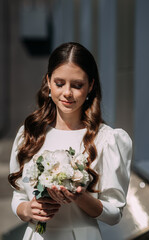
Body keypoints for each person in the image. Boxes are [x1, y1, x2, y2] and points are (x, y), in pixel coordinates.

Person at [8, 42, 132, 240]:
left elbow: (115, 214)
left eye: (77, 85)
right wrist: (27, 210)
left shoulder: (106, 139)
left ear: (90, 85)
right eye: (59, 83)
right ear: (48, 81)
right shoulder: (30, 134)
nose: (67, 92)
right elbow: (19, 196)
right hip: (36, 236)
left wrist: (80, 197)